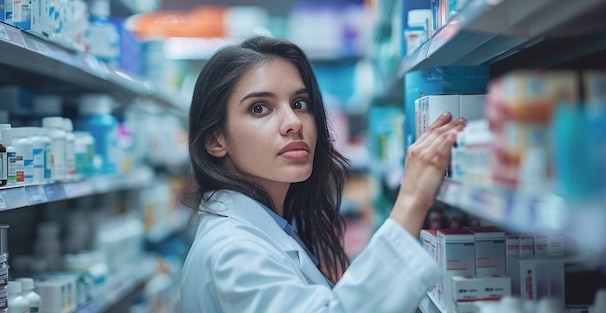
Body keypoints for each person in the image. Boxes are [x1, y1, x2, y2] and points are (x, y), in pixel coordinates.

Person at [179, 35, 466, 313]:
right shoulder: (234, 251)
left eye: (299, 104)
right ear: (216, 140)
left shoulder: (270, 226)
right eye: (259, 108)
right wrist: (413, 198)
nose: (293, 123)